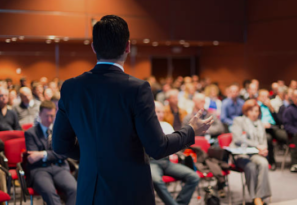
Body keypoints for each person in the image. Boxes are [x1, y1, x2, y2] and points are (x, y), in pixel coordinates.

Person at [52, 15, 212, 205]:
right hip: (130, 193)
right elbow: (157, 147)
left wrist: (93, 154)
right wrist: (191, 130)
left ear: (94, 47)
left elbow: (60, 146)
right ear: (127, 47)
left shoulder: (71, 87)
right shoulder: (137, 89)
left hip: (89, 193)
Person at [25, 101, 77, 205]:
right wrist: (54, 155)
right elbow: (32, 158)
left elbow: (63, 154)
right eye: (46, 116)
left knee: (75, 190)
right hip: (40, 170)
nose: (49, 120)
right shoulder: (30, 133)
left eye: (52, 116)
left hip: (59, 167)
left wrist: (42, 154)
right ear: (39, 115)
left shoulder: (60, 131)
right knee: (50, 193)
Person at [151, 101, 199, 205]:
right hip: (152, 162)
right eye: (158, 111)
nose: (161, 114)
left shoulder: (166, 125)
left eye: (162, 112)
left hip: (166, 161)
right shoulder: (147, 128)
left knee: (194, 177)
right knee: (157, 181)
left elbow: (175, 145)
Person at [230, 99, 271, 205]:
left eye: (257, 111)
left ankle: (259, 196)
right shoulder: (239, 121)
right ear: (246, 111)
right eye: (252, 111)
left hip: (255, 154)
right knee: (251, 167)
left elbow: (264, 141)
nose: (254, 114)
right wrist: (257, 146)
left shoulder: (260, 123)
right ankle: (255, 198)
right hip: (240, 154)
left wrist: (264, 149)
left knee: (264, 163)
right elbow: (238, 139)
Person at [257, 89, 287, 170]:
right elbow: (254, 120)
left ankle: (295, 161)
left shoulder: (270, 106)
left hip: (273, 127)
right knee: (268, 138)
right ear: (258, 97)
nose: (265, 98)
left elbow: (279, 121)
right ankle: (271, 161)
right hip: (262, 129)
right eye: (263, 96)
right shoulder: (256, 106)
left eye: (267, 97)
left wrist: (271, 108)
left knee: (285, 136)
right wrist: (262, 124)